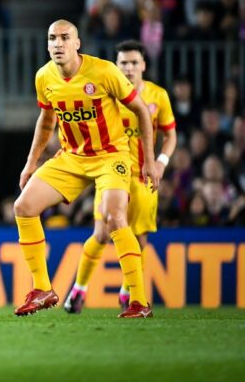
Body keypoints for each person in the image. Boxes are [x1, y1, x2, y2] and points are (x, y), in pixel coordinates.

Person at [13, 20, 159, 319]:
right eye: (52, 38)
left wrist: (149, 160)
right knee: (24, 206)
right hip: (72, 157)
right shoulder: (44, 77)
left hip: (110, 155)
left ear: (77, 43)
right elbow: (46, 121)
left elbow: (142, 110)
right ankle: (42, 289)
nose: (57, 44)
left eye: (65, 38)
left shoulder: (104, 71)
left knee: (114, 216)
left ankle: (139, 301)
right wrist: (31, 162)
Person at [64, 40, 177, 313]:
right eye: (123, 63)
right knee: (102, 233)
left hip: (143, 179)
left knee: (139, 239)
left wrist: (161, 161)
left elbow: (170, 134)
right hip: (113, 174)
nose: (128, 68)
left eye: (134, 62)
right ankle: (79, 290)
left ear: (143, 66)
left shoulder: (157, 96)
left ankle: (129, 291)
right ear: (117, 66)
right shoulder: (107, 93)